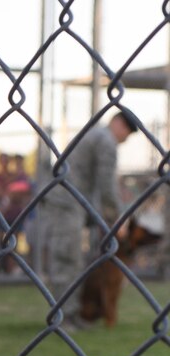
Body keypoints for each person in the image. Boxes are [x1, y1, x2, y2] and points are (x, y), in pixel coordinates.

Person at [42, 111, 138, 331]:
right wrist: (118, 217)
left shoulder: (95, 136)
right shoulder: (106, 141)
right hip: (67, 203)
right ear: (118, 123)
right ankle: (65, 318)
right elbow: (107, 185)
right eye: (127, 132)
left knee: (72, 259)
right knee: (67, 259)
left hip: (69, 201)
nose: (126, 138)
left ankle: (72, 315)